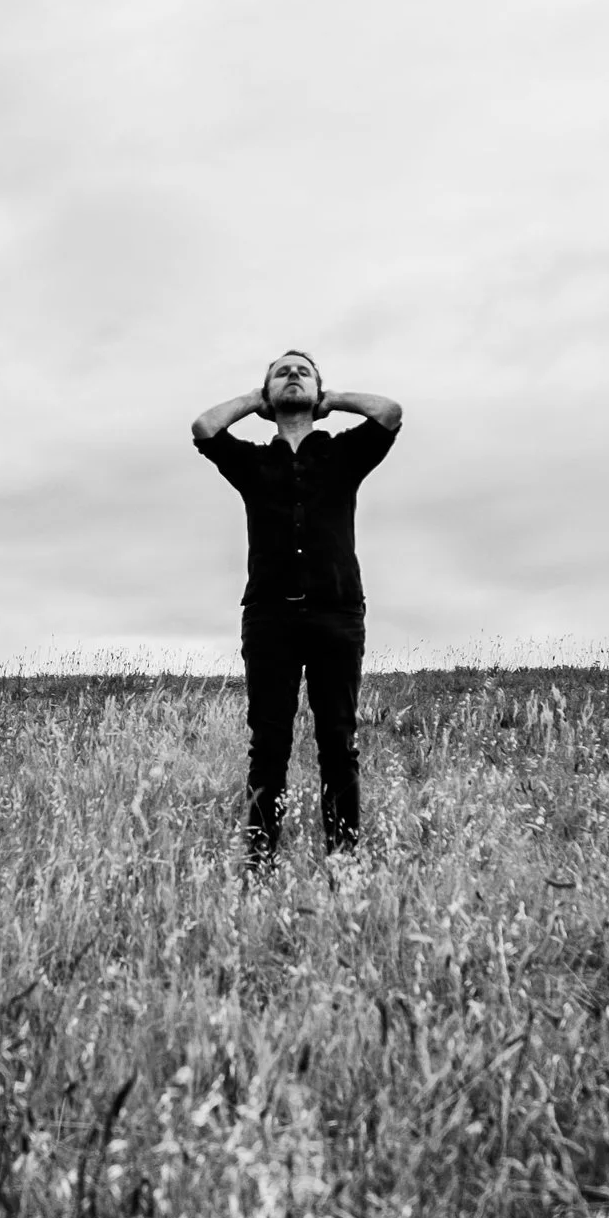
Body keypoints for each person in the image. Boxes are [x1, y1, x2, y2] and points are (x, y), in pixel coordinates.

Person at [191, 352, 404, 864]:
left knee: (339, 744)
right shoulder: (252, 463)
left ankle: (344, 867)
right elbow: (204, 428)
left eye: (302, 371)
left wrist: (334, 400)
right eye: (281, 372)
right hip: (269, 617)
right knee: (268, 748)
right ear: (268, 393)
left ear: (317, 390)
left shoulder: (344, 453)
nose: (292, 375)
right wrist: (254, 400)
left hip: (337, 614)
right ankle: (258, 865)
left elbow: (389, 412)